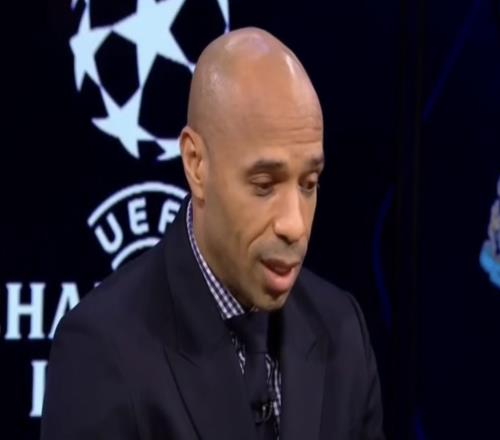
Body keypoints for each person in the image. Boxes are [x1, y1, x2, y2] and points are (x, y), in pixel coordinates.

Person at [41, 27, 385, 440]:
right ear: (196, 164)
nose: (294, 224)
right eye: (264, 185)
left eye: (308, 184)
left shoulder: (342, 330)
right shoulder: (101, 350)